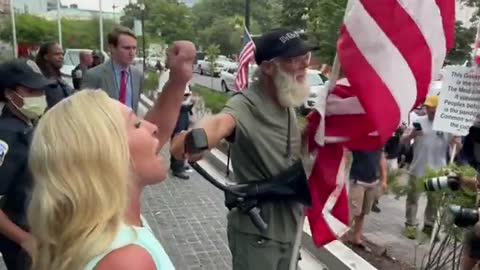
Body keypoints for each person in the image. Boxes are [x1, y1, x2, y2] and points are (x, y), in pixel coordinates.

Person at [27, 41, 196, 270]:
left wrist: (178, 81)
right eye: (136, 124)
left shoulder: (102, 228)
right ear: (106, 153)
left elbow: (145, 139)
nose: (153, 127)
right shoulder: (126, 261)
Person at [171, 28, 317, 270]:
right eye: (294, 60)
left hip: (290, 229)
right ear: (269, 67)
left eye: (306, 58)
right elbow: (219, 123)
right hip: (258, 235)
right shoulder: (245, 105)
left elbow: (285, 149)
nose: (303, 66)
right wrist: (197, 139)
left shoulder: (285, 100)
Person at [0, 58, 56, 270]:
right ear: (10, 94)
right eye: (31, 92)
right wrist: (25, 240)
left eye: (41, 91)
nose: (40, 97)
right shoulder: (6, 136)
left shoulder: (27, 125)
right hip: (24, 242)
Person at [401, 95, 462, 239]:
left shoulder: (447, 126)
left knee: (433, 202)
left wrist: (457, 143)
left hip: (438, 171)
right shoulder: (417, 121)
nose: (428, 111)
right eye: (427, 108)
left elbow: (455, 149)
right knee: (412, 199)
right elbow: (403, 141)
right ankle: (410, 225)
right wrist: (412, 135)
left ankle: (429, 226)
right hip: (417, 168)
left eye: (432, 109)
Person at [82, 26, 143, 112]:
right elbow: (84, 109)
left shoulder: (138, 75)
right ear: (112, 48)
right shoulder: (94, 76)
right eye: (126, 48)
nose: (132, 53)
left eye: (134, 48)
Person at [348, 149, 387, 250]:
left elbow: (381, 158)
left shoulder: (379, 139)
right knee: (352, 212)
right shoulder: (360, 137)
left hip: (373, 181)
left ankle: (356, 238)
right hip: (358, 179)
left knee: (362, 212)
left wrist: (384, 179)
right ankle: (337, 238)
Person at [35, 42, 73, 107]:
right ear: (46, 56)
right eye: (57, 54)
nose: (61, 57)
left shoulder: (60, 79)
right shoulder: (39, 80)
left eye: (62, 54)